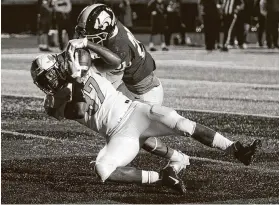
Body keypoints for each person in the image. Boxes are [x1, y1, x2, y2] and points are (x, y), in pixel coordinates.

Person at [30, 41, 261, 193]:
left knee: (181, 123)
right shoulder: (54, 103)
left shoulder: (80, 63)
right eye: (43, 81)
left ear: (58, 64)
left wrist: (88, 44)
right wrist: (77, 78)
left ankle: (237, 149)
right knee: (103, 169)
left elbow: (117, 62)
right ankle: (162, 177)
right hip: (119, 135)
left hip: (135, 111)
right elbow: (78, 111)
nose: (48, 83)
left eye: (47, 76)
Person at [73, 3, 190, 178]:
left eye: (90, 33)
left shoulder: (118, 46)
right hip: (134, 84)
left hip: (146, 90)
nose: (86, 37)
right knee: (124, 126)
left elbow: (109, 82)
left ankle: (179, 158)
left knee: (137, 133)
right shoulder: (113, 31)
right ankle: (177, 158)